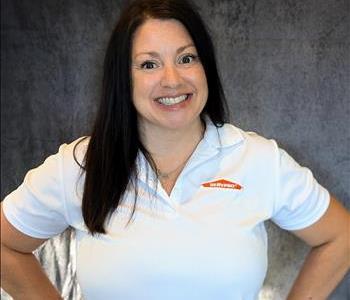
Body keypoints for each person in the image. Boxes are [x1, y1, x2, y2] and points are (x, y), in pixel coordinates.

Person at [1, 0, 349, 299]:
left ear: (205, 67)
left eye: (186, 58)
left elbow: (340, 235)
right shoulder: (82, 166)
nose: (172, 80)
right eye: (149, 64)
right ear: (124, 78)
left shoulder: (257, 160)